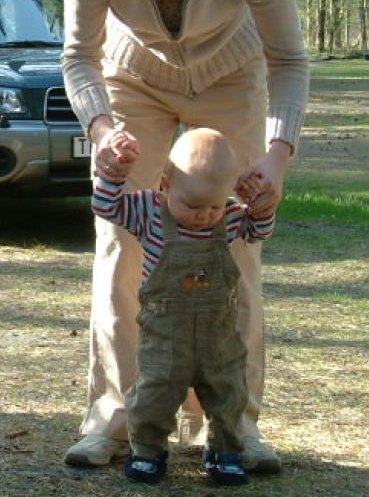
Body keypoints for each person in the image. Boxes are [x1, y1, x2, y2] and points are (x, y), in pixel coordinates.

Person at [60, 0, 309, 473]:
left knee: (234, 241)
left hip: (230, 74)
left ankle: (230, 426)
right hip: (131, 78)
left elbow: (289, 59)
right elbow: (78, 56)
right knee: (122, 242)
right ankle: (115, 418)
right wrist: (102, 129)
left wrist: (276, 156)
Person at [92, 127, 273, 485]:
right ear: (166, 185)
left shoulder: (230, 215)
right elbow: (106, 206)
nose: (204, 215)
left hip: (217, 337)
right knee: (154, 393)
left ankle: (224, 452)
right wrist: (112, 176)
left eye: (214, 206)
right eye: (192, 205)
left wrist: (259, 203)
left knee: (229, 393)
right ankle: (148, 450)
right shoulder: (149, 211)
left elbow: (258, 231)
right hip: (164, 334)